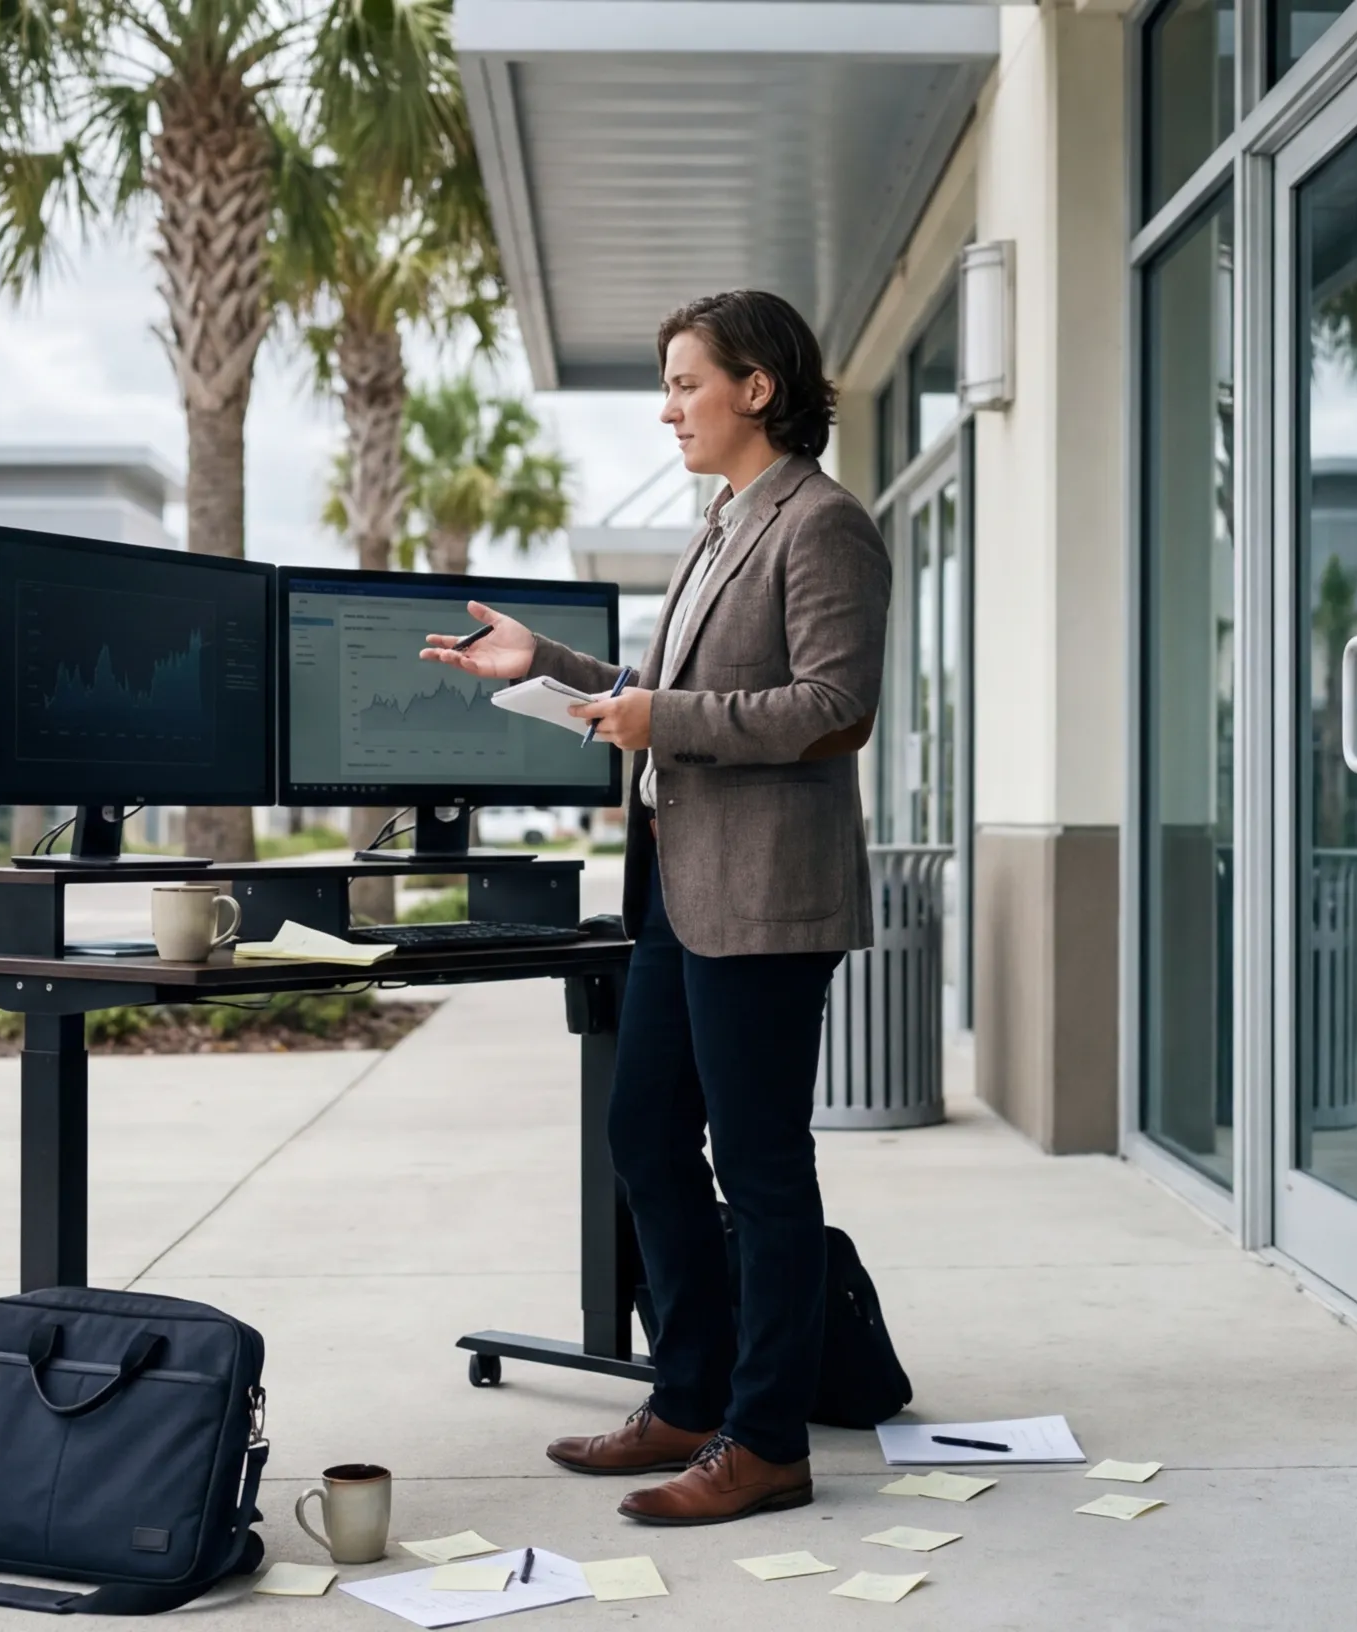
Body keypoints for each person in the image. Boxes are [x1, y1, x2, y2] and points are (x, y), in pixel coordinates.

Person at [421, 289, 889, 1525]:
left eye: (687, 382)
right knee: (644, 1136)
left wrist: (660, 717)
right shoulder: (722, 522)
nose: (669, 409)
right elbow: (662, 689)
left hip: (766, 901)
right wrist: (547, 665)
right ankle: (687, 1397)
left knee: (762, 1167)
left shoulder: (823, 523)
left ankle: (767, 1441)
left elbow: (836, 707)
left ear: (757, 388)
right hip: (680, 892)